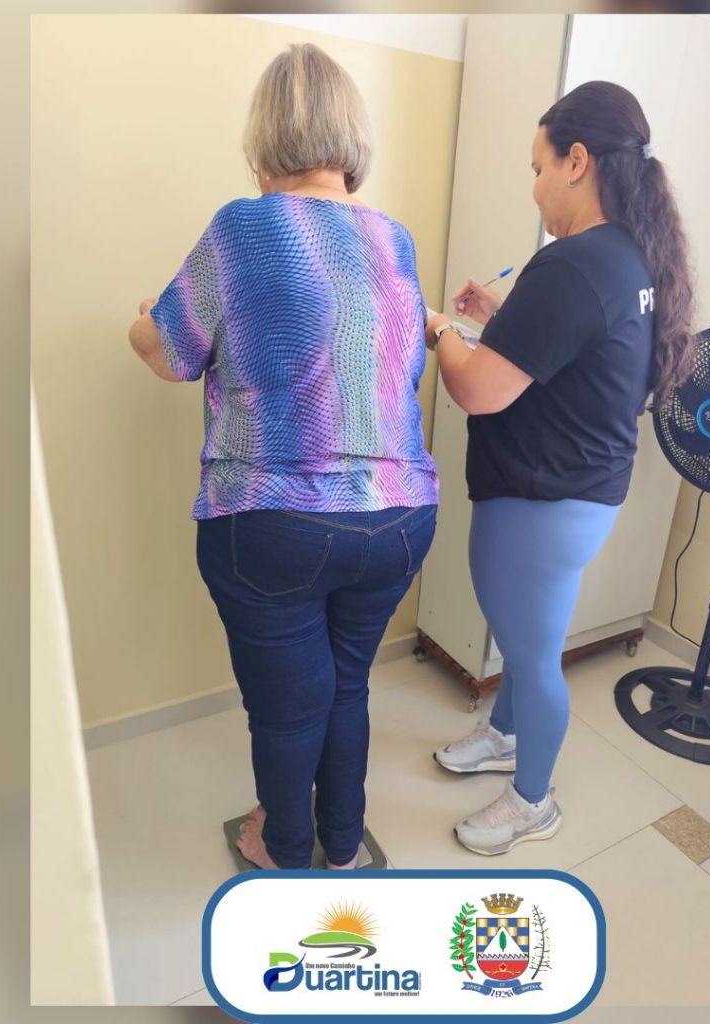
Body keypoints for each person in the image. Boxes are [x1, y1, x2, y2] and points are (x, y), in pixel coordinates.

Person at [127, 44, 438, 870]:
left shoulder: (243, 227)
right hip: (400, 517)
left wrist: (145, 318)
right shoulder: (394, 240)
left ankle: (285, 852)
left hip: (277, 522)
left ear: (266, 137)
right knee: (347, 685)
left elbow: (167, 353)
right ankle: (344, 844)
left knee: (289, 709)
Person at [426, 80, 694, 855]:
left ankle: (532, 801)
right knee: (526, 634)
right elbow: (569, 352)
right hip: (582, 491)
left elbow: (479, 390)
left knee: (533, 653)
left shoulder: (575, 263)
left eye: (539, 167)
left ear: (577, 161)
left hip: (543, 497)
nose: (536, 185)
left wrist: (440, 329)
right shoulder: (629, 258)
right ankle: (506, 734)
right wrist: (494, 320)